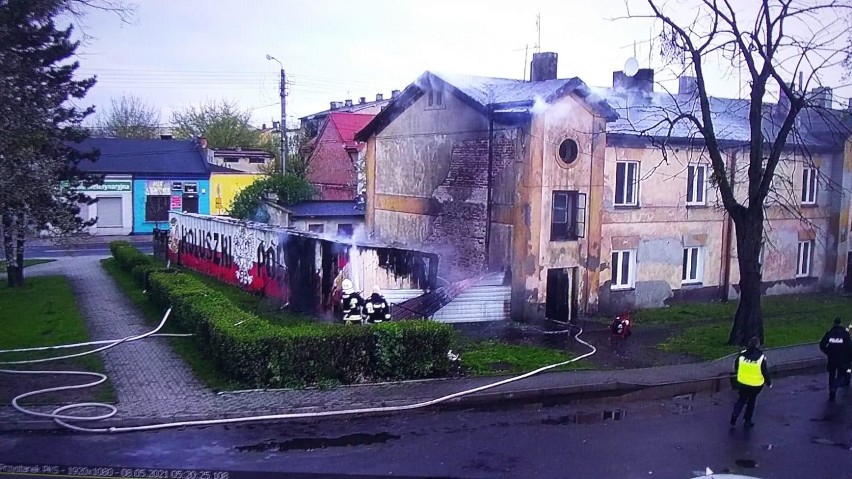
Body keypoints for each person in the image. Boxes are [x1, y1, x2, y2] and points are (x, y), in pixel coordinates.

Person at [730, 337, 772, 428]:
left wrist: (739, 373)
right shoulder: (761, 357)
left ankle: (734, 416)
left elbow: (736, 366)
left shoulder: (741, 355)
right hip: (755, 385)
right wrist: (769, 382)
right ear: (758, 345)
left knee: (741, 399)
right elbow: (764, 371)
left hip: (743, 382)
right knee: (751, 401)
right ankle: (747, 420)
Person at [819, 317, 852, 401]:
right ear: (841, 323)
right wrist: (848, 359)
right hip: (842, 359)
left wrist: (828, 352)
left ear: (834, 323)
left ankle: (831, 392)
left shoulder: (830, 333)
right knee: (840, 375)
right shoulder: (845, 334)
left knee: (831, 375)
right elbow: (849, 347)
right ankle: (834, 387)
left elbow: (822, 345)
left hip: (832, 359)